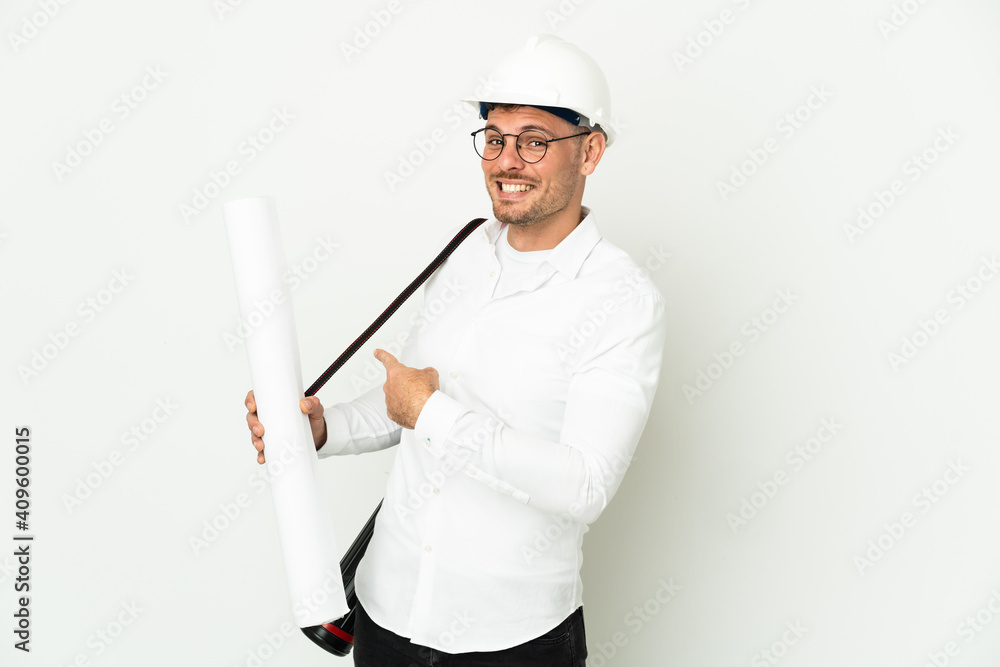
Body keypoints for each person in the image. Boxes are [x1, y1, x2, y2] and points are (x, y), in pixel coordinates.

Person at [245, 34, 667, 666]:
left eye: (533, 140)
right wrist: (325, 427)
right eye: (494, 138)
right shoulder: (464, 252)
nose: (506, 161)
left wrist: (433, 414)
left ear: (591, 151)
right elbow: (404, 401)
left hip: (511, 640)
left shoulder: (623, 299)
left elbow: (584, 485)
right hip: (387, 615)